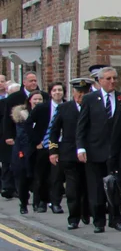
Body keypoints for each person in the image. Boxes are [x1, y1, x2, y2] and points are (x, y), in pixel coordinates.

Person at [74, 66, 121, 233]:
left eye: (114, 78)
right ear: (99, 81)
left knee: (115, 188)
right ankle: (99, 221)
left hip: (116, 152)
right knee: (97, 189)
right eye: (108, 78)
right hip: (95, 151)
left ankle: (115, 220)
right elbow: (82, 126)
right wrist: (81, 148)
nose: (112, 81)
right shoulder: (90, 99)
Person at [46, 80, 92, 229]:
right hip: (69, 154)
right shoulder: (64, 108)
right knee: (72, 189)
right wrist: (53, 151)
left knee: (87, 186)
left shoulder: (93, 106)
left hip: (89, 153)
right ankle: (73, 218)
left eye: (84, 93)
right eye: (78, 92)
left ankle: (86, 211)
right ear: (73, 93)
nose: (81, 96)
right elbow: (53, 132)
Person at [9, 90, 44, 212]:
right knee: (23, 179)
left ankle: (37, 203)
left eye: (40, 99)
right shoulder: (22, 115)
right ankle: (23, 203)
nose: (38, 101)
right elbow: (22, 135)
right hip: (23, 150)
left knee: (38, 178)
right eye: (35, 99)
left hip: (40, 150)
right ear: (29, 100)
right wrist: (35, 143)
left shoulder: (45, 114)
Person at [32, 81, 64, 214]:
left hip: (60, 144)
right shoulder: (42, 108)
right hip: (44, 145)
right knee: (42, 176)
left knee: (57, 176)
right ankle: (41, 201)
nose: (57, 93)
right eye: (54, 90)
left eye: (60, 90)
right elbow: (28, 124)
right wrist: (36, 141)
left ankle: (55, 203)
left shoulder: (67, 107)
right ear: (50, 93)